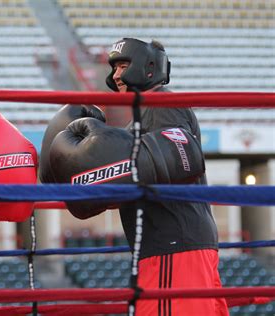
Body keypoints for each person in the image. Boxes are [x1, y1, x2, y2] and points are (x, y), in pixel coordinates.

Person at [40, 38, 228, 315]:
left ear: (148, 67)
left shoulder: (161, 103)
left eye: (123, 66)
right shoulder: (140, 121)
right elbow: (139, 179)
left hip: (172, 248)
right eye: (113, 68)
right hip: (176, 246)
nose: (116, 75)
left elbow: (180, 158)